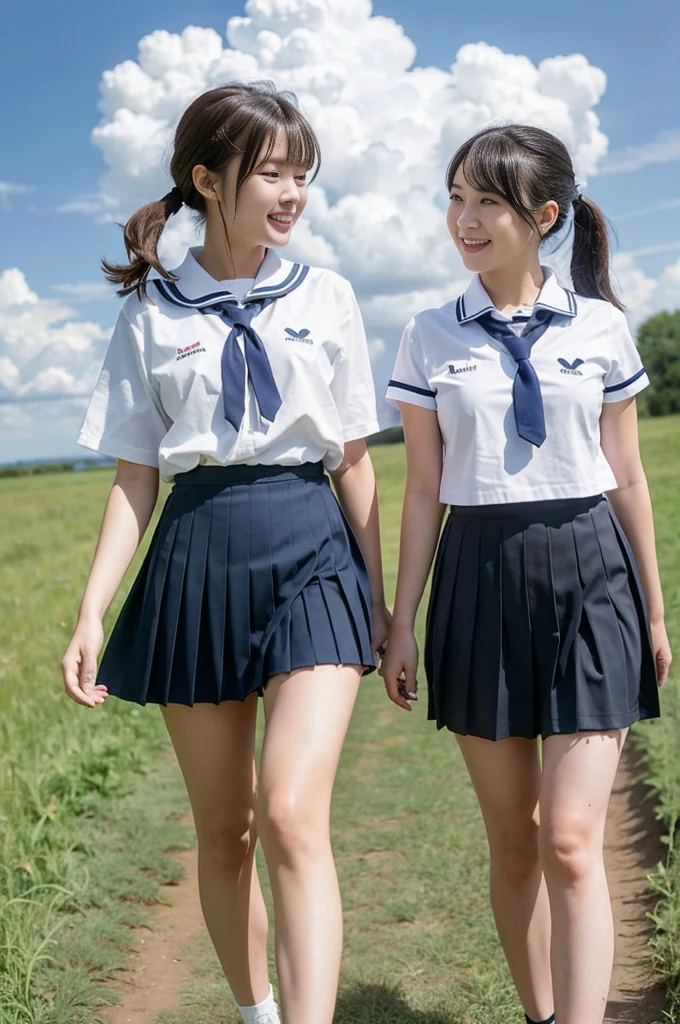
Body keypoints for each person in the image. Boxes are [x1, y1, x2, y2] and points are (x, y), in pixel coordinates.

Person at [61, 82, 390, 1024]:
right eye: (271, 174)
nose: (291, 194)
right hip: (197, 557)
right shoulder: (153, 313)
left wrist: (385, 601)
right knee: (229, 830)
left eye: (302, 176)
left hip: (313, 548)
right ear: (207, 181)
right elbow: (136, 476)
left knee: (290, 812)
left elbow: (355, 459)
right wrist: (91, 611)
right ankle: (259, 1012)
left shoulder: (327, 295)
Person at [380, 123, 672, 1024]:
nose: (462, 219)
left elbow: (628, 475)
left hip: (593, 574)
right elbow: (424, 488)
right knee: (517, 842)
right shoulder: (428, 335)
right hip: (479, 575)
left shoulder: (603, 328)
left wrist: (656, 617)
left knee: (575, 841)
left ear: (544, 216)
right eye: (456, 198)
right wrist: (402, 619)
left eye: (486, 202)